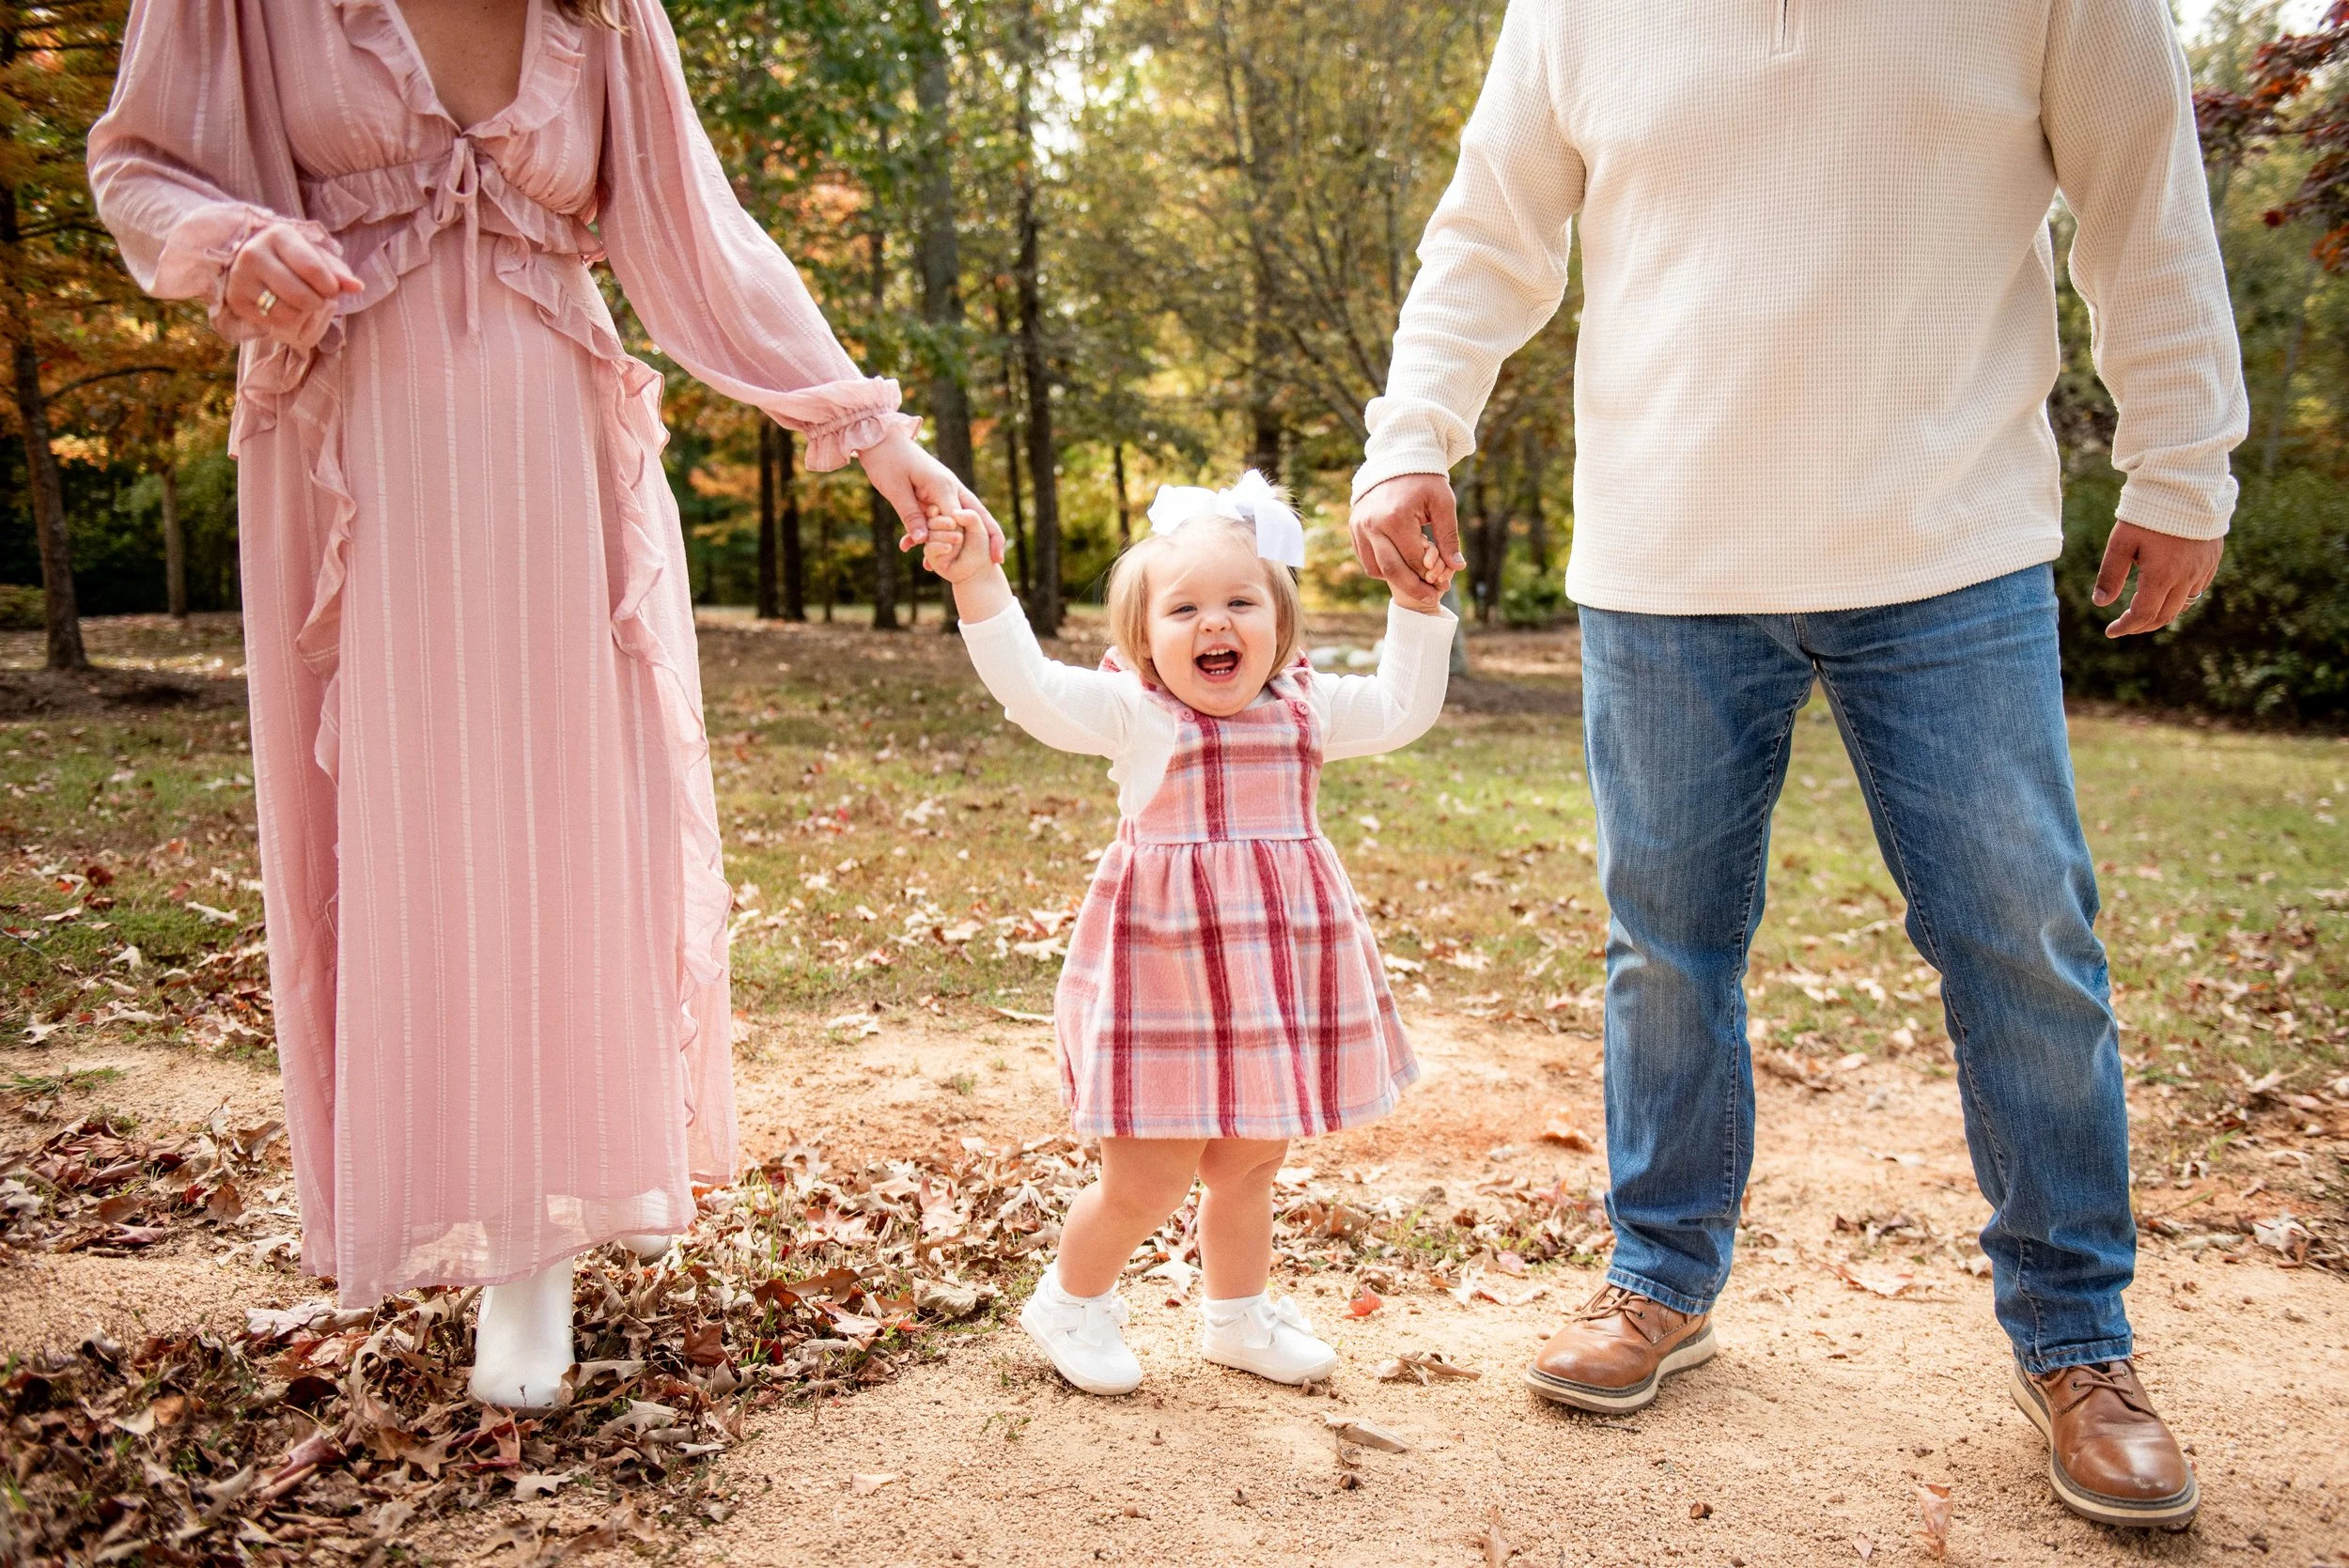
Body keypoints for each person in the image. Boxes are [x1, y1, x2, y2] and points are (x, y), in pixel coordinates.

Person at [1347, 0, 2245, 1531]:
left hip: (1949, 546)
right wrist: (1412, 432)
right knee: (1668, 946)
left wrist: (2181, 455)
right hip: (1664, 553)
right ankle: (1661, 1277)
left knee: (2023, 935)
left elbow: (2141, 186)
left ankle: (2079, 1338)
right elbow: (1492, 222)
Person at [87, 0, 995, 1407]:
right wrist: (225, 242)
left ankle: (534, 1247)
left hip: (553, 448)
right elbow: (136, 165)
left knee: (561, 822)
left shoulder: (606, 12)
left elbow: (705, 239)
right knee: (394, 821)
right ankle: (419, 1180)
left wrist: (878, 441)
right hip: (351, 445)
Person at [918, 474, 1453, 1394]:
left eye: (1241, 601)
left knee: (1250, 1158)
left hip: (1268, 976)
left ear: (1278, 624)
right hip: (1163, 978)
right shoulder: (1138, 714)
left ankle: (1235, 1316)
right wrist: (976, 582)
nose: (1216, 623)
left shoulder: (1305, 709)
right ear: (1143, 640)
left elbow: (1406, 707)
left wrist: (1414, 605)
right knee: (1150, 1171)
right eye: (1185, 607)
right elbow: (1030, 687)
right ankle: (1069, 1301)